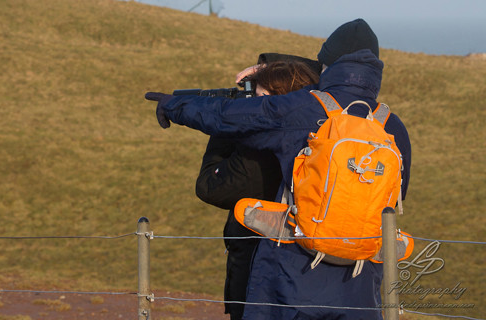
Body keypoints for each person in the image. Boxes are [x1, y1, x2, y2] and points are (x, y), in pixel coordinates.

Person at [145, 18, 411, 319]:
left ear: (326, 64)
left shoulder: (304, 109)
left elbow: (228, 116)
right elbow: (398, 194)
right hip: (360, 286)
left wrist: (174, 106)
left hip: (292, 277)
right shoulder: (392, 127)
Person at [196, 56, 321, 320]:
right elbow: (324, 71)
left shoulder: (257, 153)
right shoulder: (313, 136)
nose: (251, 105)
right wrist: (268, 67)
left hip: (258, 283)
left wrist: (226, 124)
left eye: (260, 98)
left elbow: (209, 186)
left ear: (280, 102)